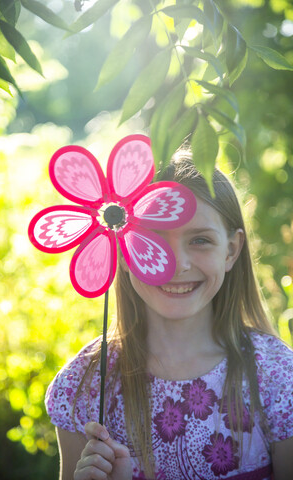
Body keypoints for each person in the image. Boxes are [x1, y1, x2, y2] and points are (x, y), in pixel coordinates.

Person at [45, 147, 293, 480]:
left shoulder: (276, 377)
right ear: (121, 248)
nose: (176, 263)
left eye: (200, 240)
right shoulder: (86, 385)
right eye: (153, 237)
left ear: (231, 251)